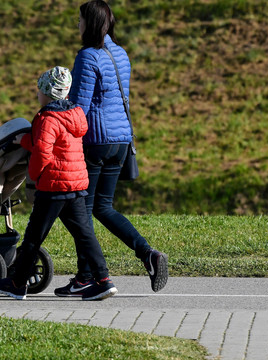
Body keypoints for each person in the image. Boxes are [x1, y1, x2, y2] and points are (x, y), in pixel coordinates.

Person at [55, 0, 168, 297]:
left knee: (80, 210)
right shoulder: (121, 53)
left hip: (95, 143)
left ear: (89, 23)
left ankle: (86, 276)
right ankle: (148, 253)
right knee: (103, 207)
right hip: (121, 141)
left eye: (80, 20)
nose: (77, 25)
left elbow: (79, 106)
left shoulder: (87, 57)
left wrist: (55, 120)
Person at [0, 66, 117, 301]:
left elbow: (43, 152)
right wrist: (25, 140)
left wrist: (35, 176)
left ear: (47, 92)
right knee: (85, 234)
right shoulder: (75, 114)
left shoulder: (46, 117)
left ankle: (17, 284)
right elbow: (58, 142)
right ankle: (103, 280)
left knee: (34, 236)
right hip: (76, 184)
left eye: (39, 90)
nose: (37, 94)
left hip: (53, 186)